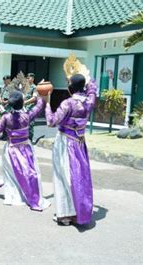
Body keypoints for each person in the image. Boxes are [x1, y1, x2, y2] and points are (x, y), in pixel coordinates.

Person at [45, 74, 97, 226]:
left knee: (63, 177)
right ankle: (78, 213)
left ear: (71, 87)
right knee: (79, 178)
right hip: (80, 143)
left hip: (65, 143)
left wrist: (47, 103)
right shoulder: (89, 101)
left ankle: (65, 214)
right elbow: (93, 89)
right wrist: (88, 79)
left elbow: (51, 121)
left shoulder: (68, 103)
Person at [0, 92, 51, 211]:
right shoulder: (27, 115)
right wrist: (41, 95)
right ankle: (31, 194)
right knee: (30, 172)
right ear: (22, 103)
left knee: (12, 174)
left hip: (11, 149)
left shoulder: (6, 117)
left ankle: (15, 195)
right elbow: (39, 107)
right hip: (26, 148)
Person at [0, 75, 14, 140]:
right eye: (4, 80)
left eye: (6, 80)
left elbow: (13, 97)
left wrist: (6, 102)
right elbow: (1, 95)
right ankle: (3, 135)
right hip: (2, 106)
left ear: (9, 80)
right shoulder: (3, 87)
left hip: (8, 106)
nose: (5, 81)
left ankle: (8, 136)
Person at [25, 73, 38, 142]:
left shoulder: (34, 87)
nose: (27, 79)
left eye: (29, 78)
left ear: (32, 79)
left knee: (30, 124)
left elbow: (34, 98)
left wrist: (25, 102)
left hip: (31, 108)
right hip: (24, 108)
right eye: (27, 78)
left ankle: (30, 140)